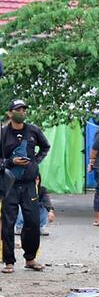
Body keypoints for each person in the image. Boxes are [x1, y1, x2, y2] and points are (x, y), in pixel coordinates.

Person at [1, 99, 51, 274]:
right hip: (9, 185)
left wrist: (34, 163)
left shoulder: (33, 131)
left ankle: (30, 258)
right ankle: (9, 261)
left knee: (32, 222)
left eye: (23, 109)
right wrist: (10, 161)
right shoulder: (3, 134)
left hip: (30, 184)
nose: (21, 112)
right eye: (18, 109)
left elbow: (45, 147)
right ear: (10, 113)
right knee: (8, 223)